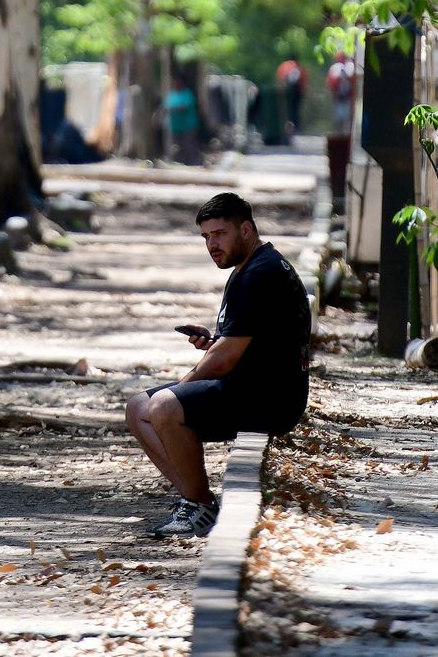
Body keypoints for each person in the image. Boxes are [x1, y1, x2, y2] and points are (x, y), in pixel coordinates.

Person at [124, 190, 312, 539]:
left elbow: (226, 359)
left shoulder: (260, 273)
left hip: (271, 397)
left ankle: (199, 508)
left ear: (246, 229)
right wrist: (213, 342)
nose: (212, 244)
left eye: (219, 234)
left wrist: (183, 386)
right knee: (138, 407)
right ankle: (196, 501)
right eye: (206, 237)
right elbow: (246, 342)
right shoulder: (250, 267)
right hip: (251, 385)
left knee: (164, 405)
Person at [163, 69, 201, 164]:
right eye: (174, 81)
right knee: (173, 148)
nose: (176, 83)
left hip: (188, 126)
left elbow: (182, 108)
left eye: (178, 81)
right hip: (173, 127)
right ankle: (175, 163)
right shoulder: (170, 94)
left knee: (189, 147)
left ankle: (193, 163)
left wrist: (172, 109)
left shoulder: (187, 94)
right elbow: (165, 108)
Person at [276, 56, 305, 141]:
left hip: (286, 91)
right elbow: (304, 81)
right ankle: (296, 128)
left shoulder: (284, 66)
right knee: (296, 110)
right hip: (297, 92)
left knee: (287, 110)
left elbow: (279, 79)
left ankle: (287, 128)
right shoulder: (299, 67)